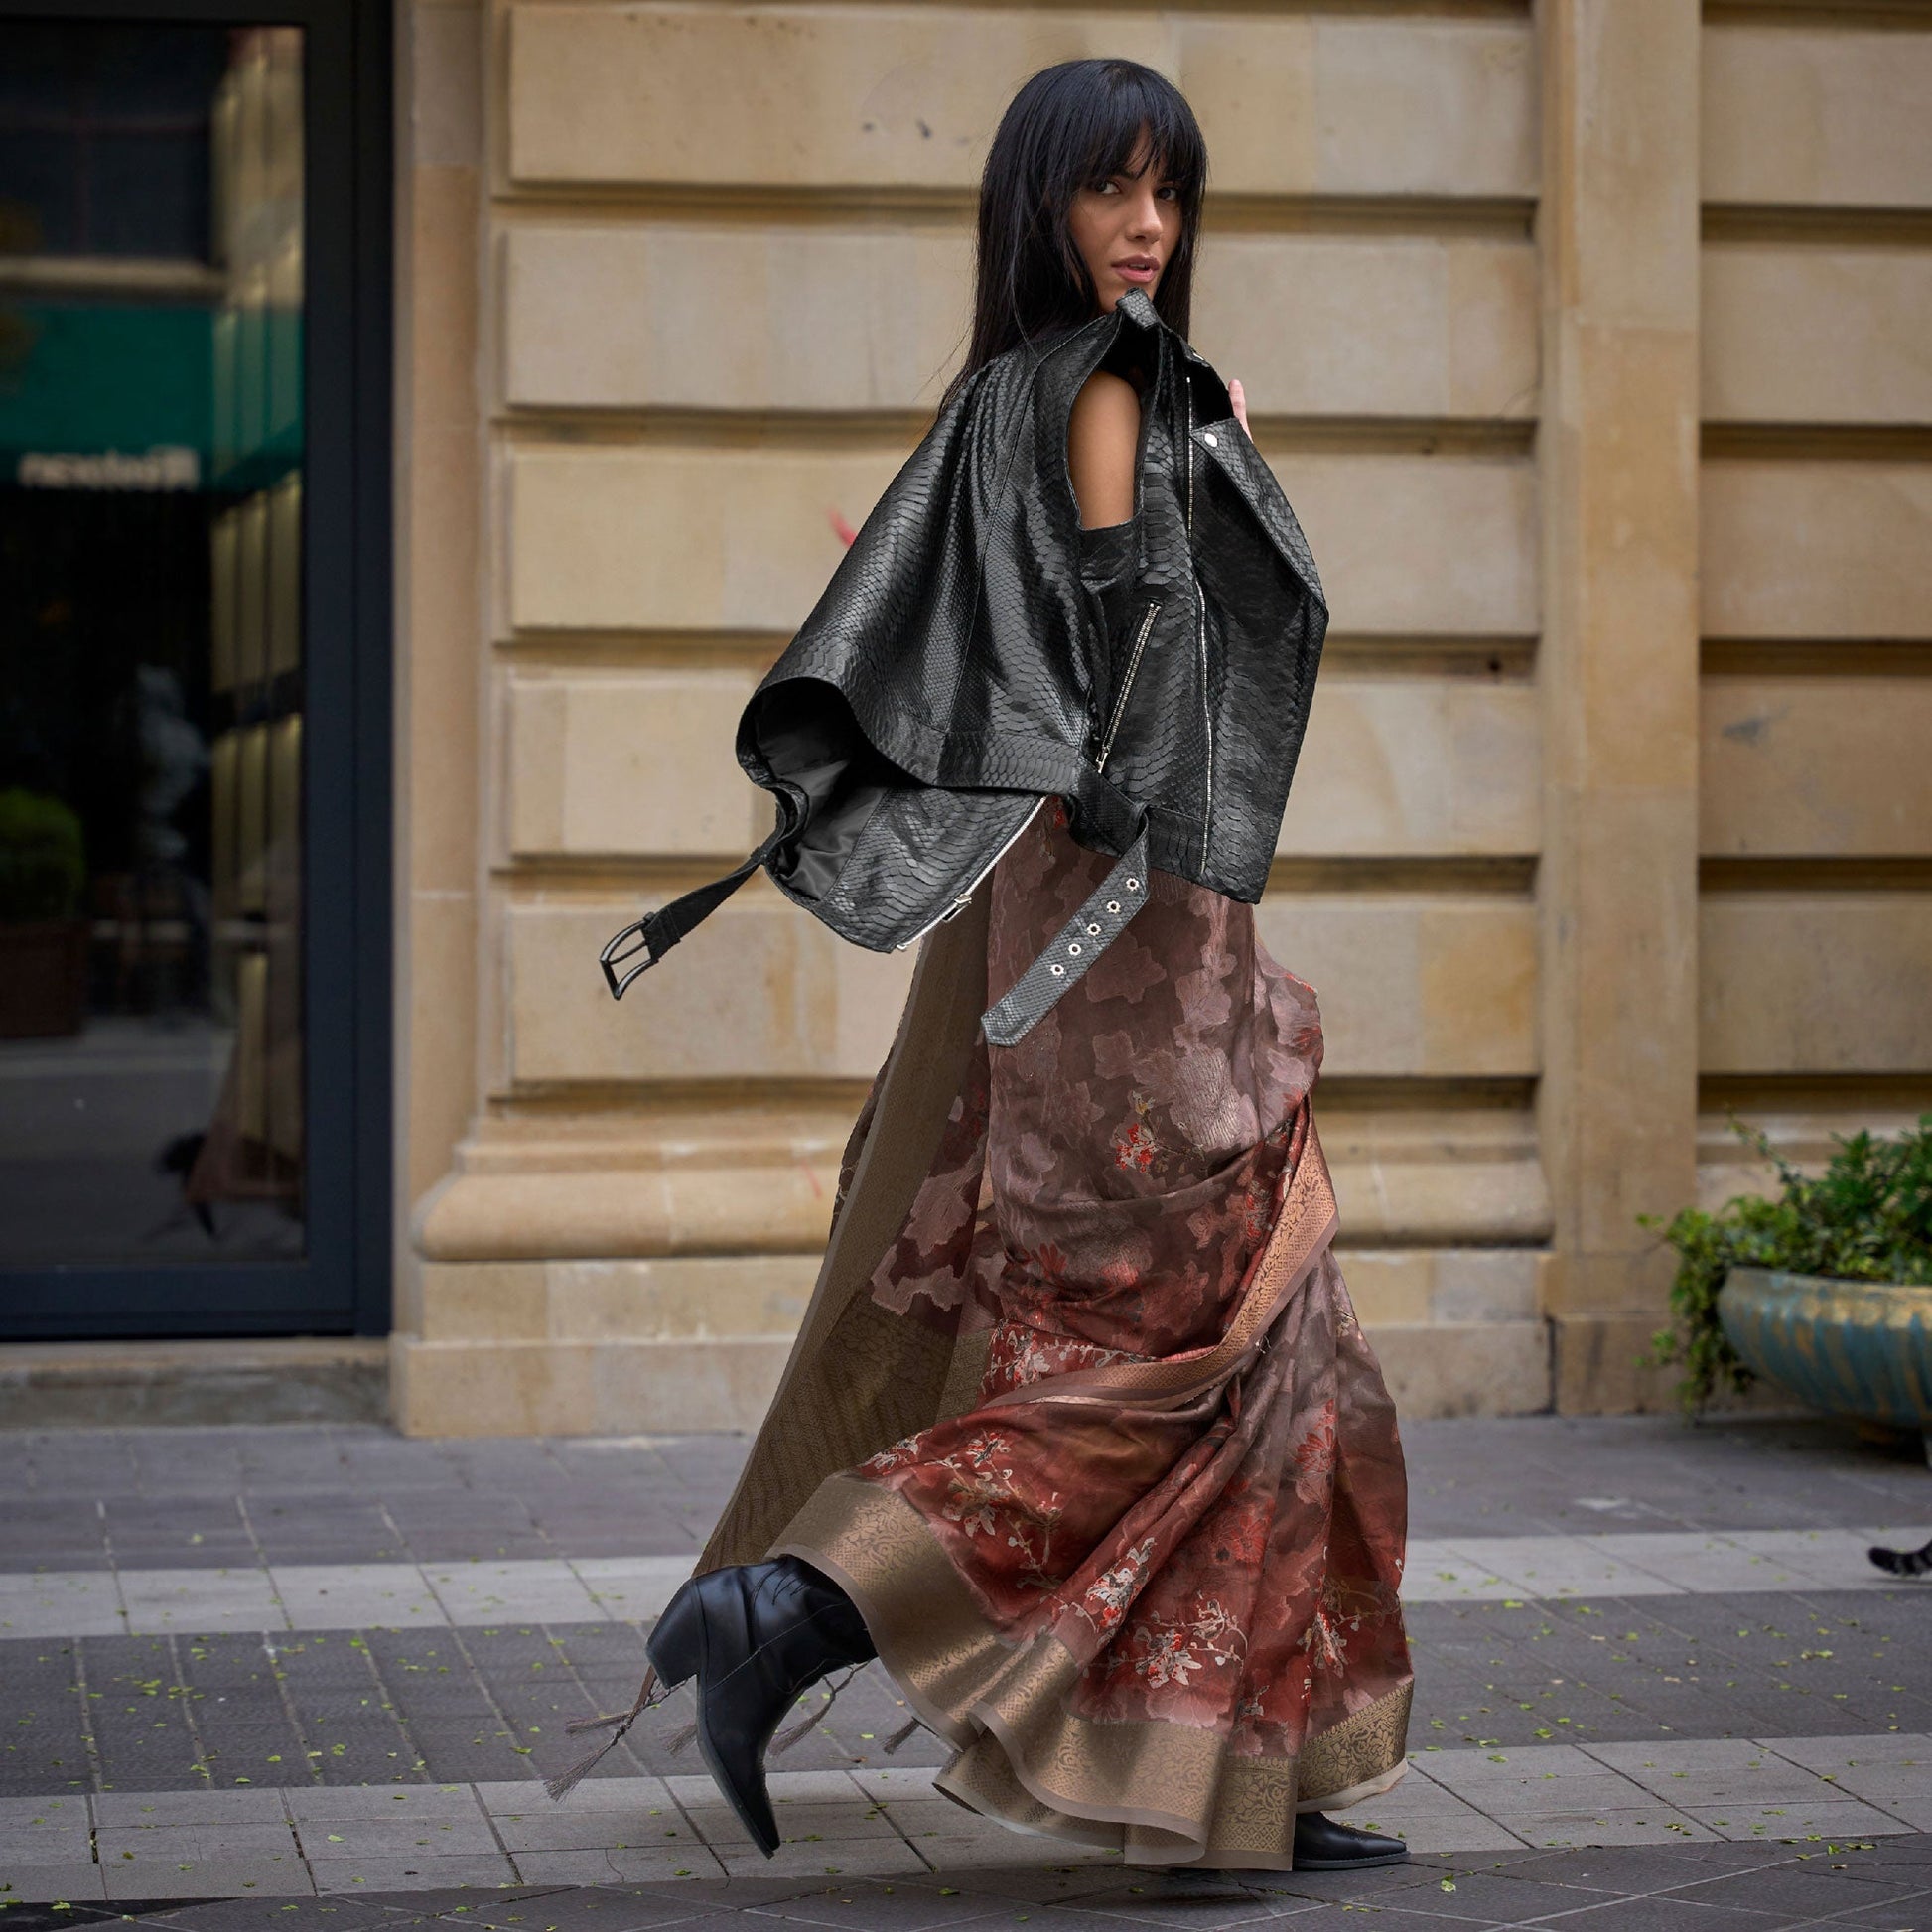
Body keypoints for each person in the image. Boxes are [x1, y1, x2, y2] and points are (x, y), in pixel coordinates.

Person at [561, 58, 1414, 1875]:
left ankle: (1237, 1774)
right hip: (1134, 939)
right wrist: (1213, 460)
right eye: (1110, 189)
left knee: (1256, 1338)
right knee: (1198, 1346)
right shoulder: (1105, 386)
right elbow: (1131, 665)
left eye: (1168, 193)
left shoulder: (1005, 391)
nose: (1147, 227)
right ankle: (795, 1608)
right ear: (1039, 203)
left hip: (1093, 924)